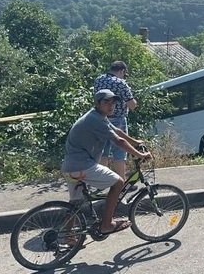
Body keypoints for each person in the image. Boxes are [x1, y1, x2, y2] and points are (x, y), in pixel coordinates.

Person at [61, 89, 152, 235]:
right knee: (118, 182)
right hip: (82, 166)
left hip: (70, 166)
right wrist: (140, 155)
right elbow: (118, 141)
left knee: (76, 204)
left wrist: (135, 142)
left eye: (113, 102)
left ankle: (66, 236)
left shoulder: (97, 116)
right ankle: (107, 224)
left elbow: (116, 130)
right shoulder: (95, 120)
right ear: (97, 103)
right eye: (106, 102)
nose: (111, 105)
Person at [94, 61, 138, 181]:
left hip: (101, 118)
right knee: (119, 152)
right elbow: (132, 104)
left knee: (103, 152)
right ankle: (121, 182)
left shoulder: (99, 79)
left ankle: (103, 180)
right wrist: (134, 103)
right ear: (121, 71)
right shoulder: (120, 83)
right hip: (117, 119)